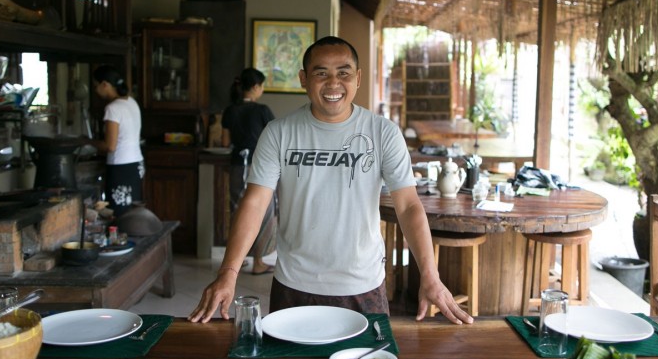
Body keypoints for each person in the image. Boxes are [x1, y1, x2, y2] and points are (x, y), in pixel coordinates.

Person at [189, 36, 472, 325]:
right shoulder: (278, 133)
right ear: (304, 79)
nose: (333, 83)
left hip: (363, 285)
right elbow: (255, 202)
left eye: (344, 73)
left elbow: (409, 206)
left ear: (358, 78)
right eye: (321, 73)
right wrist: (228, 272)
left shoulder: (383, 133)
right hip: (294, 284)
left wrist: (430, 276)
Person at [222, 68, 277, 275]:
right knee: (263, 211)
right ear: (255, 87)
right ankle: (259, 262)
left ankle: (237, 260)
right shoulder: (262, 110)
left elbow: (225, 141)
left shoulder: (230, 110)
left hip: (238, 165)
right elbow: (274, 140)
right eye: (261, 86)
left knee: (238, 210)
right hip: (260, 167)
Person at [90, 65, 143, 216]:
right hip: (136, 164)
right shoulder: (131, 102)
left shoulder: (113, 108)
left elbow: (110, 146)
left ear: (105, 84)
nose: (95, 90)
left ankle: (119, 239)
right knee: (132, 210)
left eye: (96, 86)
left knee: (119, 212)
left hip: (121, 166)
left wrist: (87, 142)